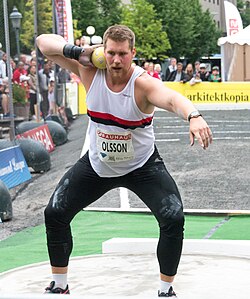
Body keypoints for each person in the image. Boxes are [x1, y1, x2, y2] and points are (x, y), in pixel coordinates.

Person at [36, 24, 212, 297]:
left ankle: (166, 290)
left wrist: (193, 116)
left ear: (133, 53)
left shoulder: (142, 84)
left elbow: (173, 99)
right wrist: (78, 52)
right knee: (55, 213)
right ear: (102, 52)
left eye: (122, 54)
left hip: (142, 166)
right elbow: (43, 43)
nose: (116, 60)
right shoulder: (89, 71)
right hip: (97, 165)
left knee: (173, 218)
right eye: (111, 53)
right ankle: (59, 285)